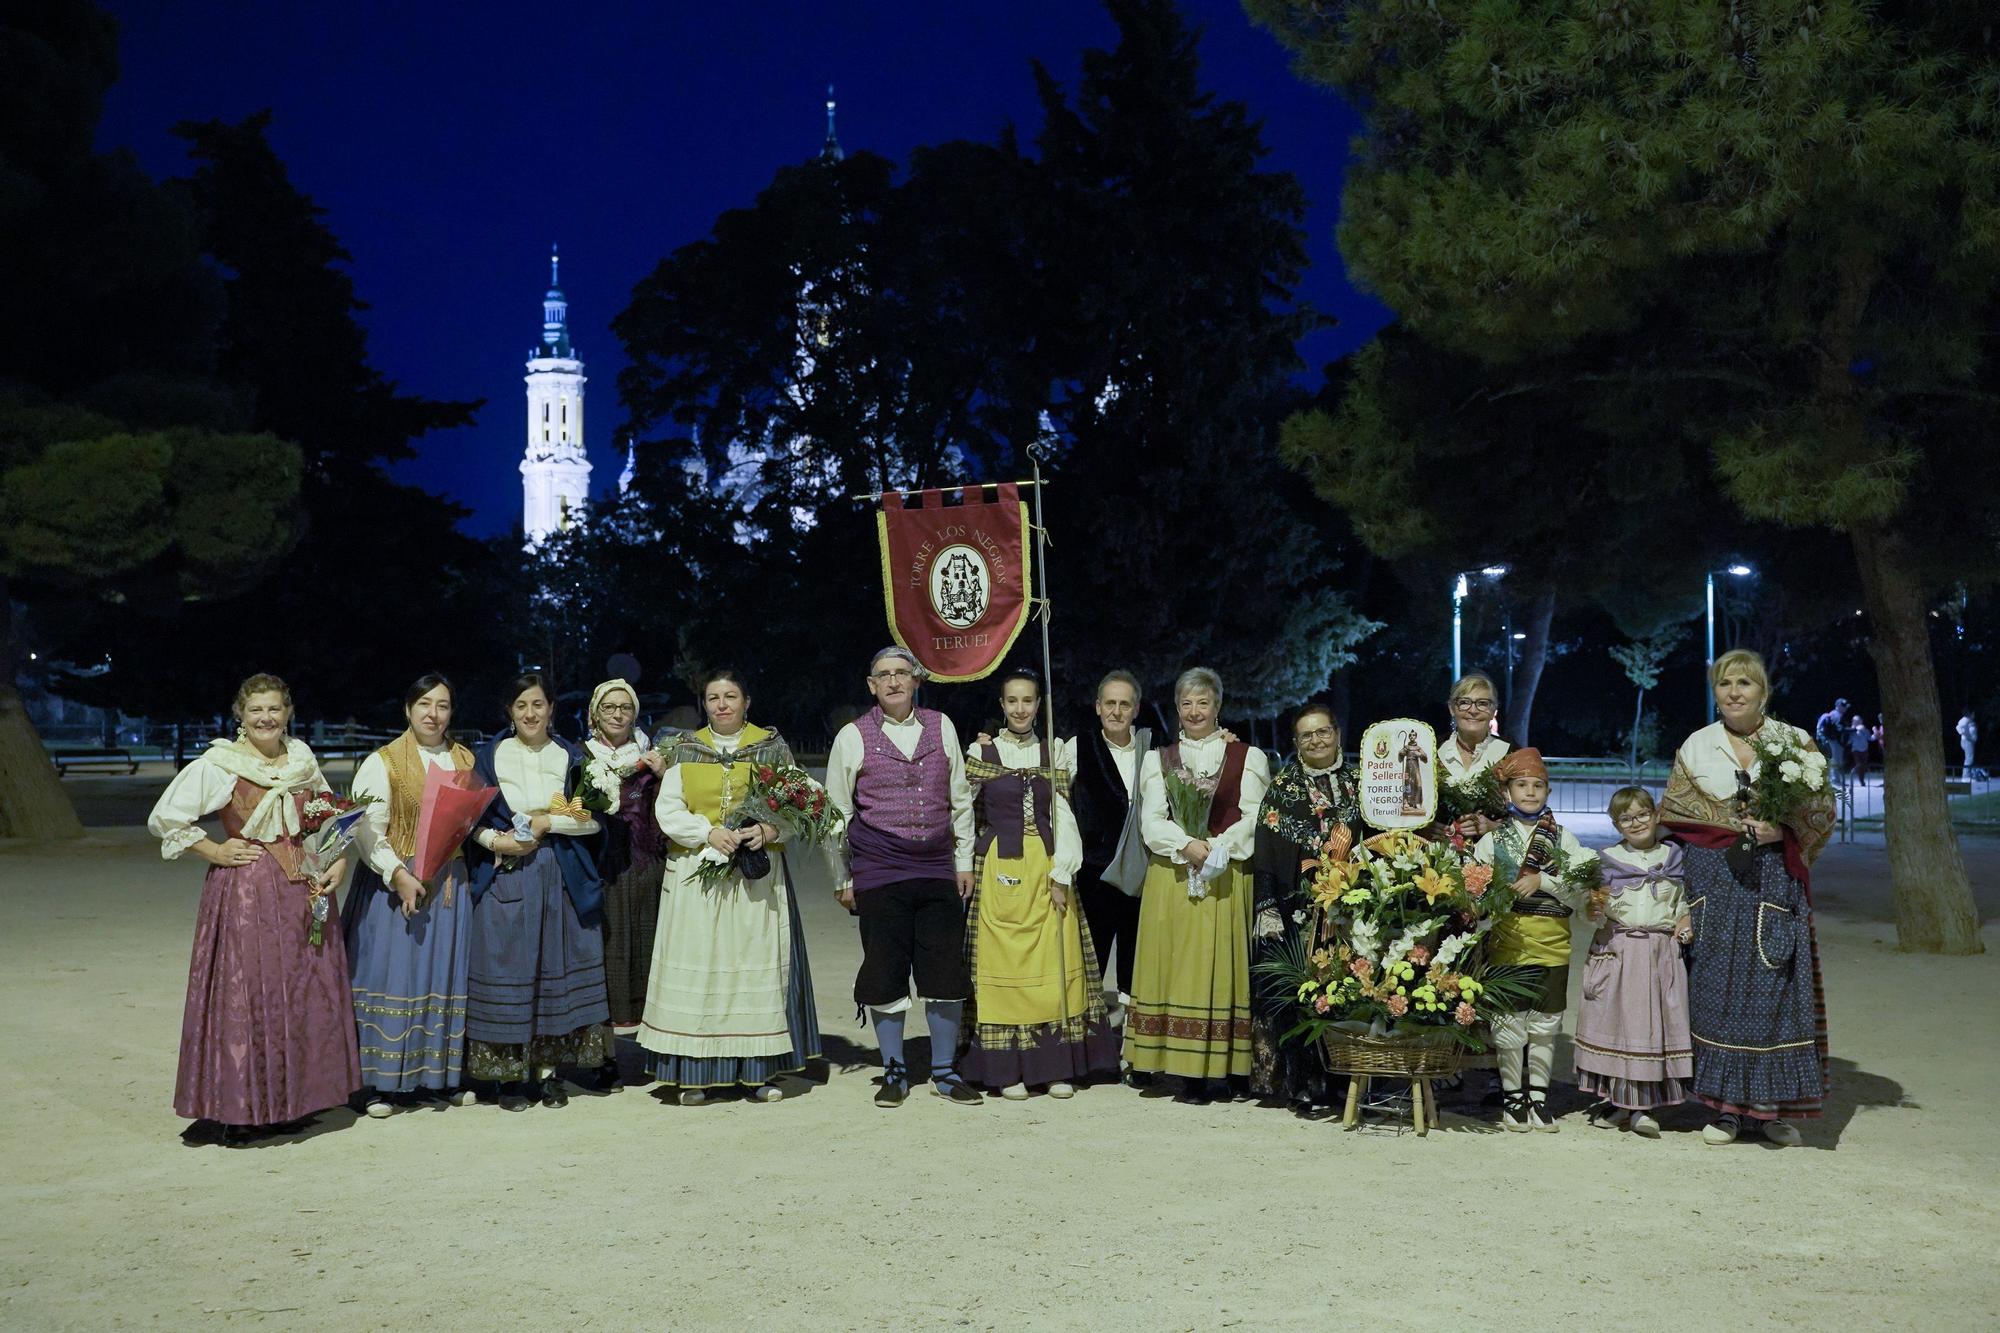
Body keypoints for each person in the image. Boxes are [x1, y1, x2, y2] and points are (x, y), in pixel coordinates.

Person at [147, 673, 359, 1143]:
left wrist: (339, 859)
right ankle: (241, 1107)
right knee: (249, 995)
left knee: (301, 991)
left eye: (275, 709)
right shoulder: (222, 763)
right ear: (240, 716)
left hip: (302, 886)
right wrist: (216, 851)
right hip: (248, 891)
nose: (266, 718)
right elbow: (166, 817)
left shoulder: (302, 759)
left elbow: (327, 815)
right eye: (256, 710)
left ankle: (294, 1100)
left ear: (288, 713)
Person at [1661, 648, 1834, 1147]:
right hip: (1713, 880)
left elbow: (1821, 813)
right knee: (1714, 989)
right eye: (1724, 684)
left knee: (1773, 988)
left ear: (1763, 691)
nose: (1734, 692)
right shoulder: (1697, 746)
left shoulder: (1794, 743)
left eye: (1745, 683)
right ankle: (1723, 1110)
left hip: (1774, 879)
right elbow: (1677, 813)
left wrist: (1782, 830)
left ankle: (1766, 1109)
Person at [638, 669, 821, 1104]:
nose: (722, 704)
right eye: (713, 697)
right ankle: (694, 1075)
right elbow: (668, 809)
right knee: (701, 969)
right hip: (697, 880)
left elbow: (798, 801)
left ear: (746, 701)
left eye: (731, 696)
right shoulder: (685, 748)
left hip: (754, 882)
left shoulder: (771, 748)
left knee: (748, 970)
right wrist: (705, 832)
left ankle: (757, 1073)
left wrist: (769, 831)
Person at [824, 647, 983, 1109]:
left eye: (902, 673)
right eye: (884, 675)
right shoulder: (853, 737)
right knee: (885, 969)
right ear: (871, 685)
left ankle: (944, 1070)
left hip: (935, 866)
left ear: (916, 680)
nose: (894, 681)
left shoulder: (941, 726)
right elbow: (837, 814)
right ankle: (894, 1070)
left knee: (943, 970)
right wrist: (842, 877)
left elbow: (959, 799)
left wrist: (964, 861)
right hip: (878, 869)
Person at [959, 668, 1118, 1099]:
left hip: (1046, 867)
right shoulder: (980, 751)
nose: (1020, 708)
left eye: (1027, 700)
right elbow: (962, 812)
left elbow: (1064, 818)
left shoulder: (1056, 752)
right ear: (1001, 706)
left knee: (1053, 964)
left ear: (1038, 705)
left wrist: (1062, 873)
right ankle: (1007, 1069)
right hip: (999, 868)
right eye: (1012, 701)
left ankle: (1053, 1066)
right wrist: (964, 865)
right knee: (1004, 964)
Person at [462, 673, 611, 1111]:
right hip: (506, 875)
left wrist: (550, 822)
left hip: (558, 872)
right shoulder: (488, 758)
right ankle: (508, 1078)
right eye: (521, 705)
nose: (530, 713)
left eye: (538, 704)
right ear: (509, 710)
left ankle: (548, 1075)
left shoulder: (570, 756)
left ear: (552, 709)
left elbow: (595, 818)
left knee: (553, 967)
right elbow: (469, 822)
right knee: (508, 967)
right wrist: (497, 842)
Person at [1123, 667, 1271, 1104]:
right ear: (1177, 708)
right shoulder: (1159, 759)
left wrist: (1217, 847)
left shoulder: (1248, 757)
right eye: (1186, 703)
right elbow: (1151, 821)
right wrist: (1186, 844)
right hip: (1172, 874)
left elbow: (1255, 815)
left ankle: (1222, 1070)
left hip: (1225, 874)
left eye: (1203, 702)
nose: (1194, 711)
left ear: (1218, 706)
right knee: (1176, 967)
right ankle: (1182, 1069)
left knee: (1221, 968)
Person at [344, 672, 479, 1117]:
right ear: (408, 709)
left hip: (447, 888)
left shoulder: (463, 758)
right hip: (393, 886)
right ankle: (380, 1085)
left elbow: (466, 823)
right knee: (393, 977)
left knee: (440, 977)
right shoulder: (382, 762)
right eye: (424, 704)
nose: (432, 714)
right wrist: (397, 873)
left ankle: (436, 1079)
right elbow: (366, 831)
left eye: (442, 705)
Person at [1471, 748, 1597, 1132]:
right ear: (1507, 793)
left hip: (1554, 946)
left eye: (1537, 786)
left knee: (1546, 1025)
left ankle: (1539, 1098)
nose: (1529, 792)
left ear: (1548, 791)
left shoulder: (1565, 839)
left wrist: (1544, 881)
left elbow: (1582, 891)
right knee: (1509, 1027)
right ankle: (1513, 1098)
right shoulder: (1492, 843)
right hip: (1508, 945)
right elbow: (1473, 890)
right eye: (1521, 785)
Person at [1250, 699, 1360, 1110]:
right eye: (1306, 734)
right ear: (1296, 743)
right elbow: (1266, 854)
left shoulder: (1361, 784)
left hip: (1353, 912)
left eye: (1322, 731)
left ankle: (1350, 1080)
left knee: (1353, 990)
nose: (1316, 740)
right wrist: (1267, 907)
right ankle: (1304, 1083)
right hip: (1300, 912)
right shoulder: (1283, 790)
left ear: (1337, 735)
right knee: (1302, 993)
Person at [1573, 787, 1692, 1137]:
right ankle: (1626, 1104)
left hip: (1659, 954)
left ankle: (1640, 1106)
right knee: (1622, 1026)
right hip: (1620, 951)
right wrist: (1592, 909)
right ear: (1616, 824)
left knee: (1653, 1027)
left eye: (1642, 814)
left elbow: (1683, 904)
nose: (1636, 822)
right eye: (1626, 818)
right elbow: (1588, 910)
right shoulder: (1605, 861)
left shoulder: (1674, 858)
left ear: (1655, 816)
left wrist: (1684, 922)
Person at [1066, 670, 1153, 1025]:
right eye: (1110, 703)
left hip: (1143, 872)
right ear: (1098, 706)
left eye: (1125, 704)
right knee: (1091, 959)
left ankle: (1133, 1045)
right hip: (1094, 873)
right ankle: (1088, 1046)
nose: (1117, 711)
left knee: (1138, 961)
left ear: (1135, 709)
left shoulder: (1155, 748)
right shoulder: (1075, 747)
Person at [583, 678, 666, 1042]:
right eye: (609, 707)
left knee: (648, 954)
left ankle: (655, 1048)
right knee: (605, 955)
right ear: (594, 715)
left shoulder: (653, 757)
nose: (618, 714)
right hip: (601, 871)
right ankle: (602, 1057)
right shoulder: (580, 756)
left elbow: (672, 810)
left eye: (625, 707)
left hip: (647, 869)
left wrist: (665, 776)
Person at [1437, 672, 1510, 842]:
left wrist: (1494, 827)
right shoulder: (1431, 752)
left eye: (1483, 703)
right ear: (1451, 709)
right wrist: (1425, 828)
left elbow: (1534, 815)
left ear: (1493, 711)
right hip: (1436, 860)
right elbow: (1408, 808)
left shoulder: (1513, 754)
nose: (1473, 710)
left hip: (1496, 860)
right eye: (1464, 703)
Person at [1815, 698, 1850, 775]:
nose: (1845, 708)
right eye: (1843, 705)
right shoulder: (1835, 714)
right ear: (1837, 705)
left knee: (1836, 760)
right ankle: (1834, 780)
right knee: (1835, 759)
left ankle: (1836, 779)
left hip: (1834, 740)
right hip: (1833, 740)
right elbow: (1837, 729)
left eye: (1845, 706)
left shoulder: (1838, 715)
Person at [1847, 712, 1872, 785]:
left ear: (1861, 721)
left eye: (1857, 721)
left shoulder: (1865, 730)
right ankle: (1853, 772)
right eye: (1854, 721)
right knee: (1859, 764)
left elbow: (1870, 738)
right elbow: (1849, 741)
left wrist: (1876, 735)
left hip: (1864, 750)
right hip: (1855, 750)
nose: (1855, 722)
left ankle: (1862, 780)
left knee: (1863, 766)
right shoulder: (1852, 731)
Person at [1958, 710, 1979, 779]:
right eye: (1973, 713)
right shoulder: (1965, 720)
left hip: (1970, 741)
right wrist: (1966, 735)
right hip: (1967, 741)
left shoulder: (1970, 720)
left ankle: (1969, 774)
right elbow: (1958, 727)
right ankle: (1965, 776)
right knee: (1969, 758)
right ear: (1970, 713)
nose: (1974, 715)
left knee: (1970, 758)